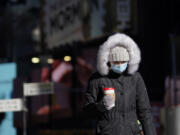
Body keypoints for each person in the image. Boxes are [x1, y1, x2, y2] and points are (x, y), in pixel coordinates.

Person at [83, 33, 157, 135]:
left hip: (132, 132)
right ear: (109, 61)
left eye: (123, 61)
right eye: (116, 62)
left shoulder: (135, 78)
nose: (120, 65)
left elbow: (145, 112)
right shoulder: (97, 79)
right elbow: (87, 112)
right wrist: (101, 106)